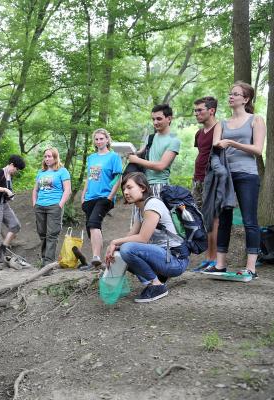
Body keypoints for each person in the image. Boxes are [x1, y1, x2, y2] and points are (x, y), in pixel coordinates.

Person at [203, 81, 265, 279]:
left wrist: (231, 142)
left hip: (247, 175)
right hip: (225, 177)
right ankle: (220, 264)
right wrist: (220, 171)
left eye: (235, 94)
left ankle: (251, 268)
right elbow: (215, 150)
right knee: (224, 220)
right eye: (230, 94)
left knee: (249, 220)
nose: (230, 97)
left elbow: (257, 150)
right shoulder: (221, 123)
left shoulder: (256, 120)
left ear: (245, 99)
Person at [105, 172, 190, 303]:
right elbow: (132, 235)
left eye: (129, 187)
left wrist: (114, 241)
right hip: (164, 257)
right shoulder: (140, 209)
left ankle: (156, 285)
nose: (126, 192)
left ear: (142, 187)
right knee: (120, 251)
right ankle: (156, 280)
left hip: (176, 260)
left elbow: (142, 238)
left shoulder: (152, 205)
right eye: (123, 189)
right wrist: (114, 248)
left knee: (127, 249)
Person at [80, 129, 122, 267]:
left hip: (104, 196)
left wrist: (110, 197)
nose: (99, 142)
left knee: (93, 223)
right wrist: (83, 195)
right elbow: (89, 178)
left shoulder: (113, 157)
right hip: (89, 197)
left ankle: (96, 257)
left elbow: (118, 179)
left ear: (107, 140)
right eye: (96, 139)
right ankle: (97, 261)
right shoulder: (91, 158)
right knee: (90, 227)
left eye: (101, 139)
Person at [126, 104, 181, 197]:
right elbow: (141, 153)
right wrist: (130, 151)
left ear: (169, 119)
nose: (155, 122)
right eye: (153, 119)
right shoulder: (150, 137)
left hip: (159, 185)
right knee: (138, 212)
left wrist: (136, 160)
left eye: (159, 119)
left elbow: (161, 166)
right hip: (142, 184)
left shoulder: (174, 140)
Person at [191, 96, 219, 271]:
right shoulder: (199, 133)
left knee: (213, 219)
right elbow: (200, 154)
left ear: (211, 110)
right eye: (195, 110)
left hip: (213, 179)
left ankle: (214, 258)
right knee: (202, 219)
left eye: (200, 110)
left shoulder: (220, 129)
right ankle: (208, 257)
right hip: (197, 179)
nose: (196, 113)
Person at [0, 155, 26, 269]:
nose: (16, 171)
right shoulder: (1, 172)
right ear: (12, 165)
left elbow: (8, 192)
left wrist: (9, 194)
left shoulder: (9, 176)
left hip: (3, 204)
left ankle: (2, 250)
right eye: (16, 169)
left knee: (15, 225)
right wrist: (5, 190)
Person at [32, 147, 71, 266]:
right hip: (40, 206)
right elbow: (35, 190)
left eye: (50, 156)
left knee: (52, 234)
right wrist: (35, 203)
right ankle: (44, 259)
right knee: (42, 233)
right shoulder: (41, 172)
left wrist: (60, 205)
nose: (47, 159)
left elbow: (67, 190)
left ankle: (48, 263)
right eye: (45, 156)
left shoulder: (62, 171)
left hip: (54, 206)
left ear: (55, 157)